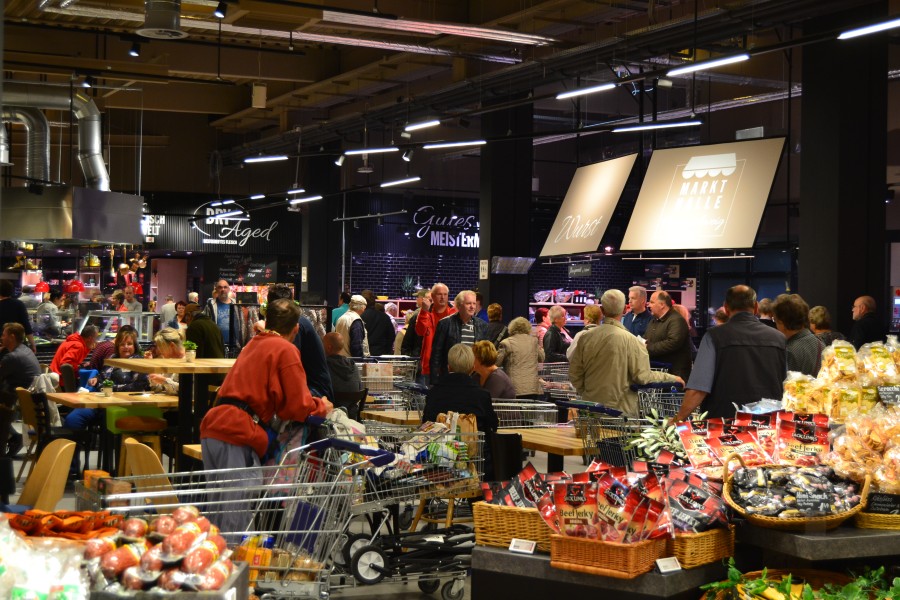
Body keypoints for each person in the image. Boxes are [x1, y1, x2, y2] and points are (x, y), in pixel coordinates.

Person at [200, 298, 332, 535]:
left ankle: (216, 563)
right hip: (238, 432)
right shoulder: (286, 349)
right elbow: (297, 406)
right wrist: (321, 406)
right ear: (295, 329)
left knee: (218, 512)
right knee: (235, 519)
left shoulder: (253, 343)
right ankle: (235, 568)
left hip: (213, 427)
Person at [672, 285, 786, 422]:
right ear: (756, 308)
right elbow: (787, 384)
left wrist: (678, 419)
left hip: (724, 423)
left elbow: (699, 388)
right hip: (767, 422)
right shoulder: (779, 338)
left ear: (726, 308)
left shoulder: (714, 337)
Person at [570, 289, 682, 417]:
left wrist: (586, 392)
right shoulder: (633, 341)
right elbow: (643, 376)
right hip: (621, 413)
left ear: (603, 311)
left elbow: (574, 373)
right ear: (624, 309)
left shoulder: (585, 337)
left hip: (590, 410)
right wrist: (671, 378)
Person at [422, 344, 498, 479]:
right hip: (474, 462)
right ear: (472, 368)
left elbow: (426, 424)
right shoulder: (482, 395)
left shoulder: (434, 393)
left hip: (440, 462)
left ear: (449, 366)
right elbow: (492, 425)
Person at [265, 285, 334, 400]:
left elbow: (289, 363)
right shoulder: (291, 322)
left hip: (316, 391)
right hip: (308, 387)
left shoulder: (295, 324)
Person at [0, 323, 41, 457]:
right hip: (31, 397)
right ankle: (14, 436)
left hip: (19, 400)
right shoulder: (25, 349)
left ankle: (13, 436)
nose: (1, 337)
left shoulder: (12, 357)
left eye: (4, 335)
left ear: (12, 337)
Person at [430, 290, 487, 379]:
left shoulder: (482, 325)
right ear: (459, 305)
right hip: (450, 377)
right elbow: (436, 355)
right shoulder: (445, 324)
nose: (472, 307)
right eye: (468, 303)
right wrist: (434, 380)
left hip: (474, 377)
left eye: (474, 303)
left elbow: (483, 355)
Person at [645, 291, 693, 381]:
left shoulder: (677, 320)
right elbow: (647, 337)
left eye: (652, 302)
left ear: (662, 304)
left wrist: (648, 347)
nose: (649, 305)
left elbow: (673, 342)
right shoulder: (654, 320)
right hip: (661, 372)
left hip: (675, 374)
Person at [415, 283, 456, 384]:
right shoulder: (426, 313)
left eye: (445, 294)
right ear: (432, 296)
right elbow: (420, 331)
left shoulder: (454, 314)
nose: (442, 297)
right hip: (428, 366)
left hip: (449, 365)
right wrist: (424, 311)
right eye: (439, 294)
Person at [773, 294, 822, 377]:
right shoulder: (820, 343)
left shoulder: (789, 351)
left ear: (782, 322)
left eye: (775, 320)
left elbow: (786, 386)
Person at [497, 317, 545, 398]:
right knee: (530, 411)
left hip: (514, 388)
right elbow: (542, 358)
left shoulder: (506, 343)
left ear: (512, 328)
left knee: (515, 410)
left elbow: (496, 363)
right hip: (532, 388)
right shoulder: (533, 341)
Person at [50, 325, 99, 391]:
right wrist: (78, 367)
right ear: (90, 338)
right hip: (61, 380)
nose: (96, 341)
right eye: (96, 338)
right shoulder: (78, 345)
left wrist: (88, 349)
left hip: (54, 376)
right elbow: (65, 364)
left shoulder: (73, 341)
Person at [204, 279, 247, 352]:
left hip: (235, 345)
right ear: (216, 289)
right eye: (220, 287)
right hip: (216, 345)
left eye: (225, 287)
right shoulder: (210, 306)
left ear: (229, 289)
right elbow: (205, 325)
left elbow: (242, 324)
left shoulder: (236, 304)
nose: (222, 289)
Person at [0, 280, 36, 353]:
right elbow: (26, 325)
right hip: (17, 344)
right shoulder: (19, 304)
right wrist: (32, 344)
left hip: (2, 344)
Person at [360, 290, 395, 356]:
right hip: (382, 355)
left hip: (365, 355)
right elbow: (391, 336)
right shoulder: (385, 317)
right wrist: (386, 351)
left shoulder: (360, 317)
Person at [400, 289, 429, 363]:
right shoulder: (418, 313)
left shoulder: (417, 314)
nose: (416, 299)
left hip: (417, 356)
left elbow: (408, 339)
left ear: (423, 299)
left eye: (417, 297)